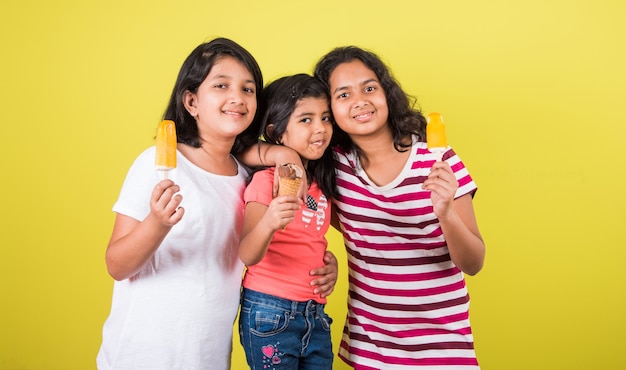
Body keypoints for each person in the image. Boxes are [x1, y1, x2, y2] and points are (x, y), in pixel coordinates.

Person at [96, 38, 337, 370]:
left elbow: (271, 245)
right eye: (221, 85)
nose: (237, 97)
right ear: (192, 101)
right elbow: (117, 265)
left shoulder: (246, 177)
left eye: (248, 89)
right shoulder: (157, 164)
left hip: (208, 355)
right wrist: (157, 223)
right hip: (144, 353)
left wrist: (325, 263)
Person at [241, 46, 486, 369]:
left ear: (387, 92)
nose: (360, 100)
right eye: (343, 95)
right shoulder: (335, 167)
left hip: (442, 342)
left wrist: (446, 214)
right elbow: (239, 150)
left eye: (370, 88)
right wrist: (282, 154)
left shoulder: (437, 160)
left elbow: (473, 262)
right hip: (371, 346)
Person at [238, 74, 337, 370]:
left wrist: (331, 264)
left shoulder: (321, 184)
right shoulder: (265, 181)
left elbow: (312, 242)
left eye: (325, 118)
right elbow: (247, 254)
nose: (320, 128)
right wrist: (269, 222)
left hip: (315, 313)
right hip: (270, 310)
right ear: (277, 133)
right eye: (305, 120)